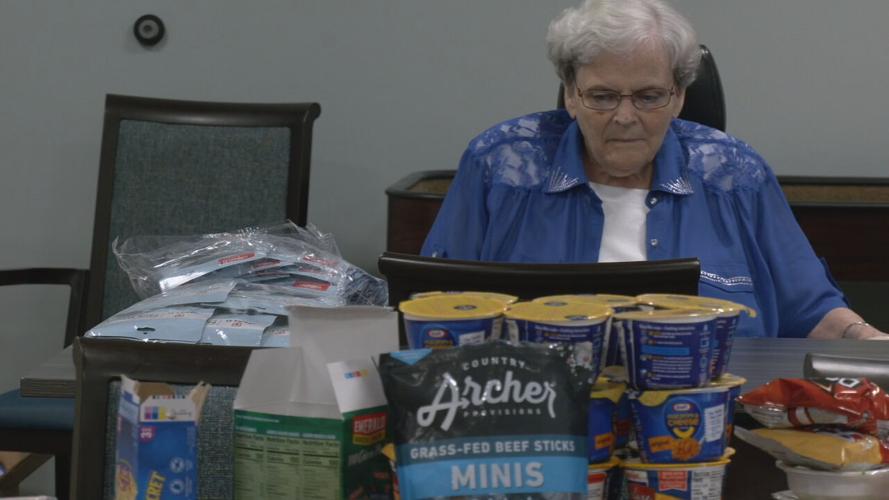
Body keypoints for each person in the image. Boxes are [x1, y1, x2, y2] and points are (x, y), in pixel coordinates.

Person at [421, 0, 886, 340]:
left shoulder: (734, 174)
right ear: (570, 93)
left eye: (648, 96)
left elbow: (812, 310)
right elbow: (432, 306)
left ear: (679, 96)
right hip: (535, 415)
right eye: (603, 96)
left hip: (711, 414)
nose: (626, 117)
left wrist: (868, 343)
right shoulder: (502, 166)